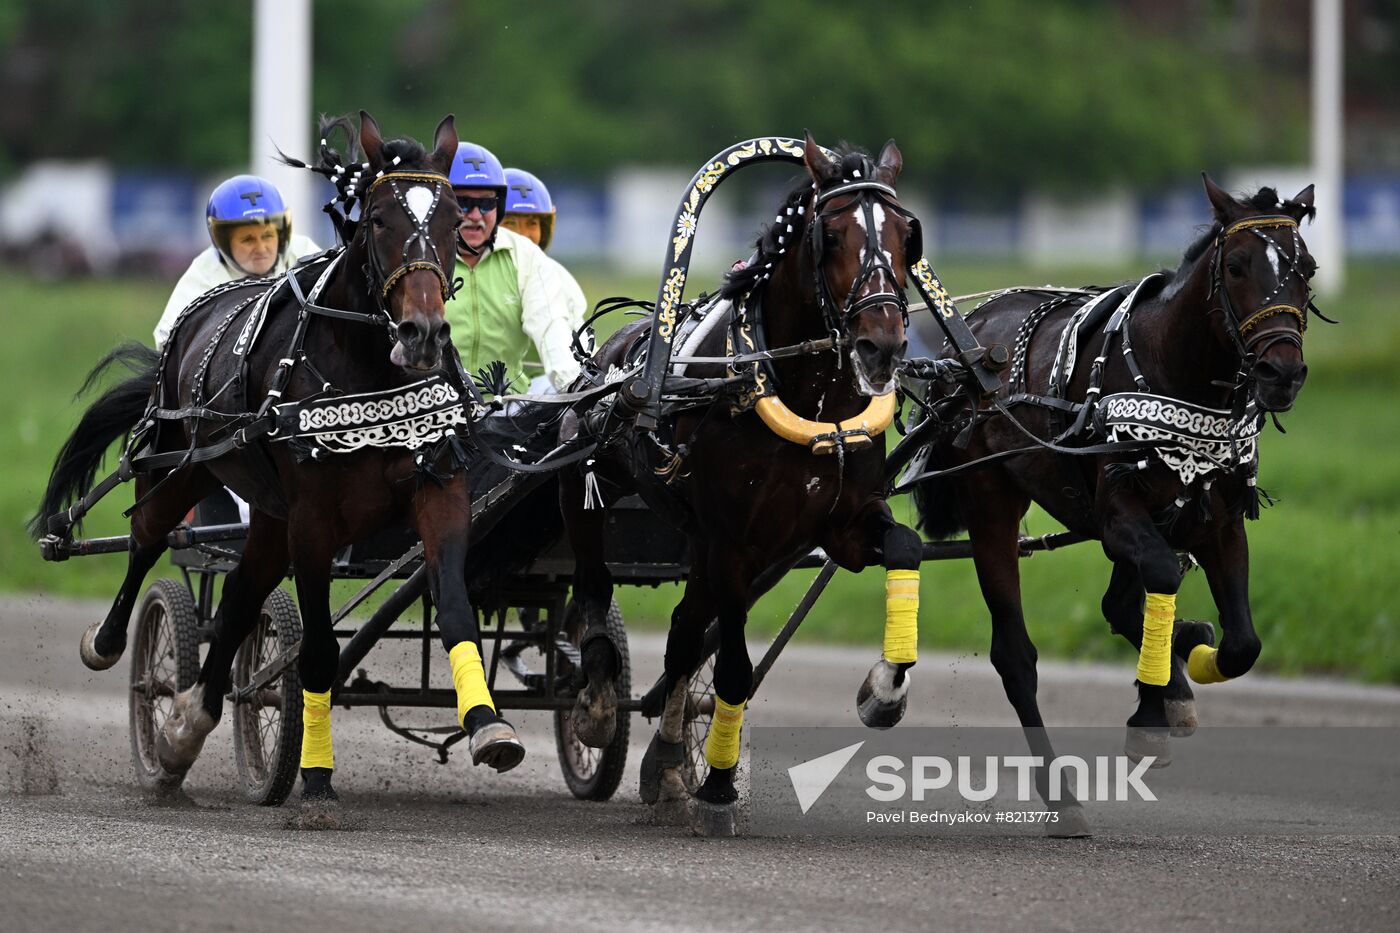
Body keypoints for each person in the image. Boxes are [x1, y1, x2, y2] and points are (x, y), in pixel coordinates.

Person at [443, 143, 579, 394]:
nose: (475, 215)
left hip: (507, 405)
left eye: (486, 204)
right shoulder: (421, 257)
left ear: (500, 206)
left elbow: (551, 328)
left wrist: (576, 389)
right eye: (463, 203)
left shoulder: (527, 256)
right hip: (433, 406)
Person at [153, 174, 320, 350]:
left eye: (268, 236)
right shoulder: (205, 271)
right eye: (248, 239)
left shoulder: (305, 253)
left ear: (282, 234)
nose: (261, 248)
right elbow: (167, 340)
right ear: (224, 242)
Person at [501, 166, 592, 389]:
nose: (523, 234)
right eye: (511, 222)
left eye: (532, 223)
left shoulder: (558, 276)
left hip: (544, 388)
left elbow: (582, 352)